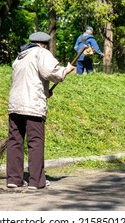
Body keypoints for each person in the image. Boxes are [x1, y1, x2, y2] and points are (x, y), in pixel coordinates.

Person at [6, 31, 75, 190]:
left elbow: (28, 80)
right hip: (33, 107)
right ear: (44, 43)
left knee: (15, 142)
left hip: (15, 105)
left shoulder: (20, 56)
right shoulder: (41, 53)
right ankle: (36, 181)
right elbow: (52, 73)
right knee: (35, 142)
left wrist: (45, 92)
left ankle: (14, 179)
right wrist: (66, 70)